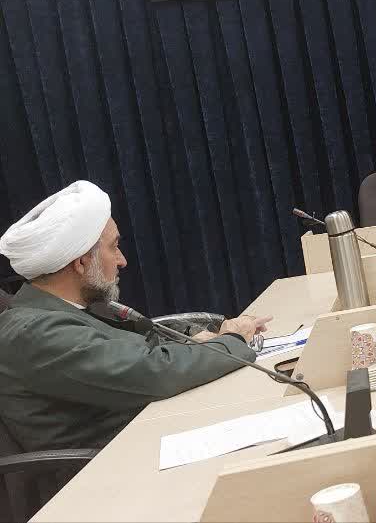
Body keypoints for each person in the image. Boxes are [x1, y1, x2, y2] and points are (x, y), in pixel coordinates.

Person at [0, 181, 270, 452]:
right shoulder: (34, 331)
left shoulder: (70, 309)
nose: (122, 260)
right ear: (81, 262)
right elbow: (153, 372)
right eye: (113, 247)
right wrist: (233, 339)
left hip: (144, 435)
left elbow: (142, 347)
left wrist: (197, 340)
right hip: (109, 463)